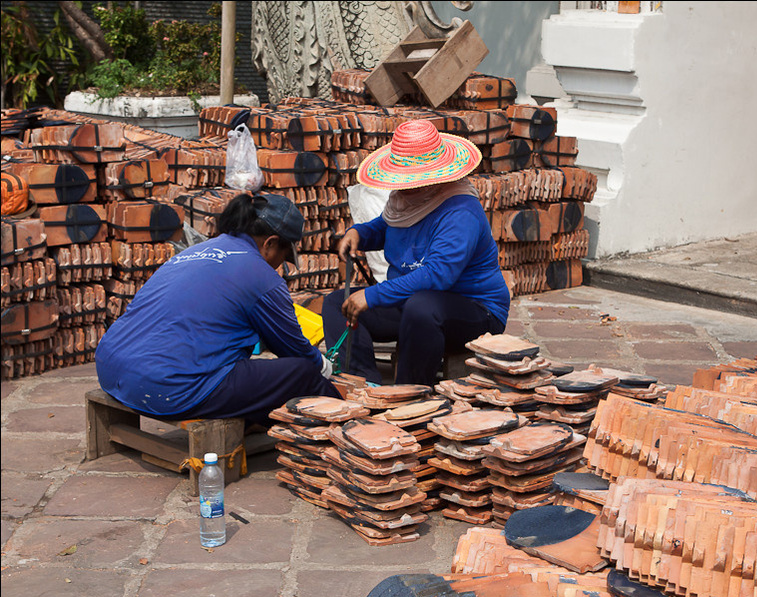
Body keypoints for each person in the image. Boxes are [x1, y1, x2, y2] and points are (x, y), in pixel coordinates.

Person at [95, 193, 339, 425]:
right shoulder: (261, 275)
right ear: (270, 243)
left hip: (112, 371)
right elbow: (292, 348)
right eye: (283, 257)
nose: (280, 266)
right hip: (167, 390)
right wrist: (324, 369)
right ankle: (350, 429)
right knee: (302, 373)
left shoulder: (195, 251)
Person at [322, 119, 510, 385]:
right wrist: (359, 233)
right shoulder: (406, 200)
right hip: (414, 302)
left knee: (421, 307)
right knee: (337, 305)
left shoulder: (461, 211)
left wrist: (373, 295)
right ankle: (363, 384)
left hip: (474, 310)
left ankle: (411, 393)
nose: (405, 185)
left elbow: (437, 276)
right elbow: (386, 227)